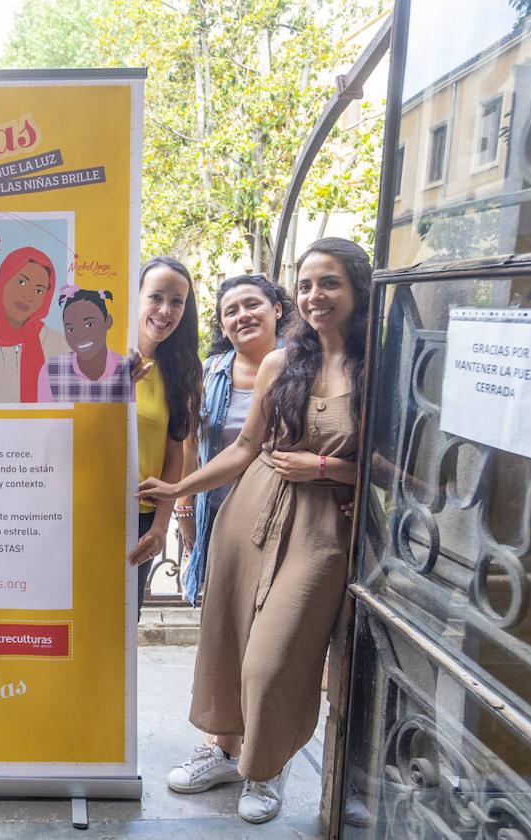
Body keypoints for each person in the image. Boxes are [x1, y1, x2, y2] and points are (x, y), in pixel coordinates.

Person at [140, 237, 371, 824]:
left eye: (329, 283)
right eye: (307, 285)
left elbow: (403, 467)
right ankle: (222, 750)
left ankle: (267, 767)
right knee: (225, 639)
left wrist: (331, 468)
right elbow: (245, 446)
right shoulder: (283, 361)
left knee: (275, 659)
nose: (316, 296)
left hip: (322, 527)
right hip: (252, 510)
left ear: (357, 290)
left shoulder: (381, 366)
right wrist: (178, 491)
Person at [175, 274, 292, 603]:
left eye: (252, 304)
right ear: (223, 327)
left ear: (277, 310)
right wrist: (184, 510)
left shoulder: (305, 368)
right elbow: (189, 446)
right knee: (222, 614)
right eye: (231, 311)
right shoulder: (207, 373)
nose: (243, 315)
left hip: (283, 516)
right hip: (218, 513)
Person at [128, 257, 202, 620]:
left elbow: (175, 456)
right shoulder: (101, 357)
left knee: (121, 630)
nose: (165, 310)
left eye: (177, 301)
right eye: (156, 297)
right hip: (85, 513)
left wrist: (160, 527)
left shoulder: (179, 370)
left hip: (140, 521)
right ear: (135, 297)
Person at [0, 246, 68, 402]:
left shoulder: (60, 346)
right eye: (21, 282)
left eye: (39, 291)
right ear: (3, 280)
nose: (28, 296)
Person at [37, 285, 133, 402]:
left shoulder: (128, 369)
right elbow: (45, 418)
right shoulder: (50, 371)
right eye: (71, 329)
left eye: (90, 324)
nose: (80, 335)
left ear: (108, 321)